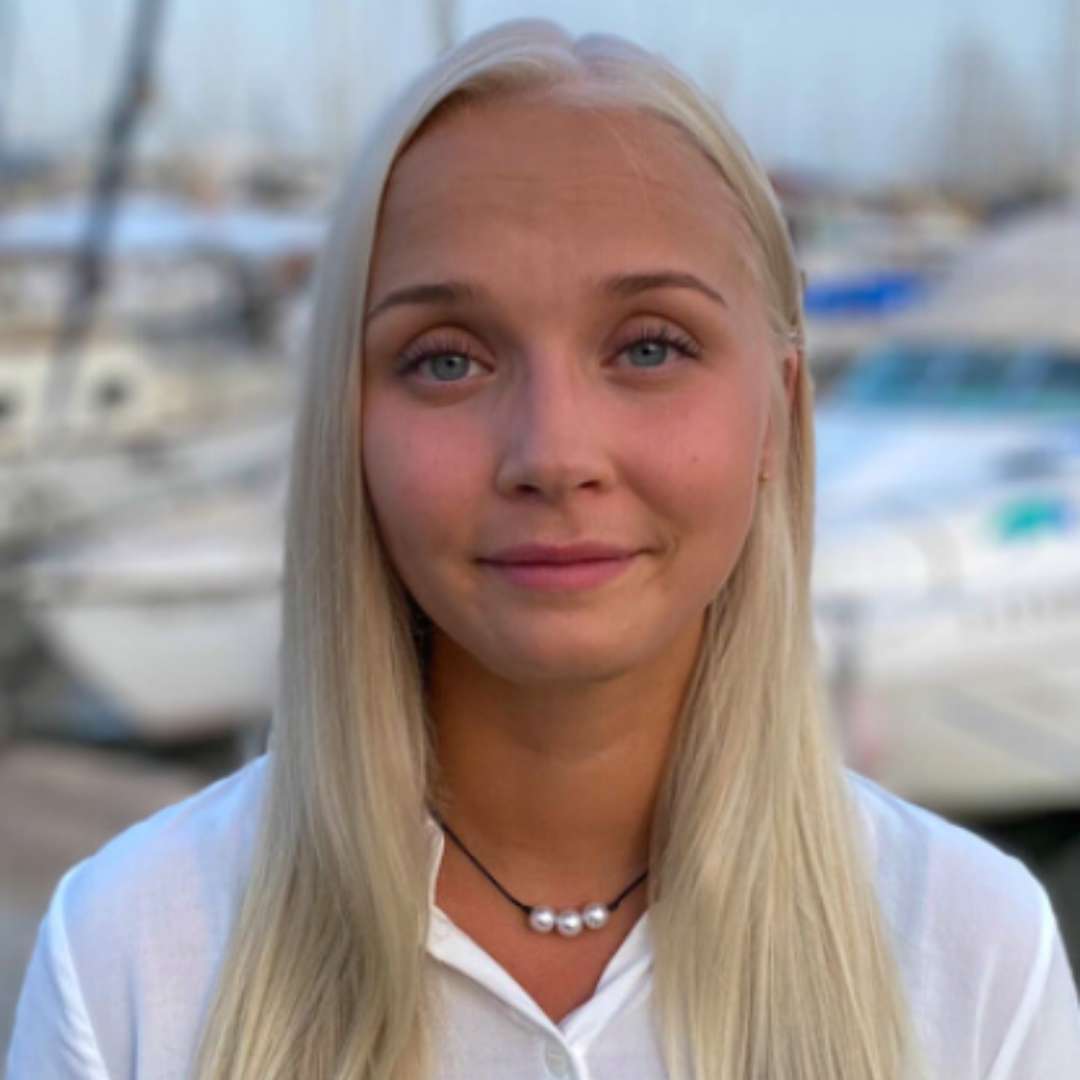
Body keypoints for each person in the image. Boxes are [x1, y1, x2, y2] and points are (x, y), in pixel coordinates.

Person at [8, 19, 1080, 1080]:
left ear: (778, 412)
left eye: (650, 347)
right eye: (447, 361)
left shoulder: (972, 952)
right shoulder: (129, 953)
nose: (555, 455)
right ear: (349, 427)